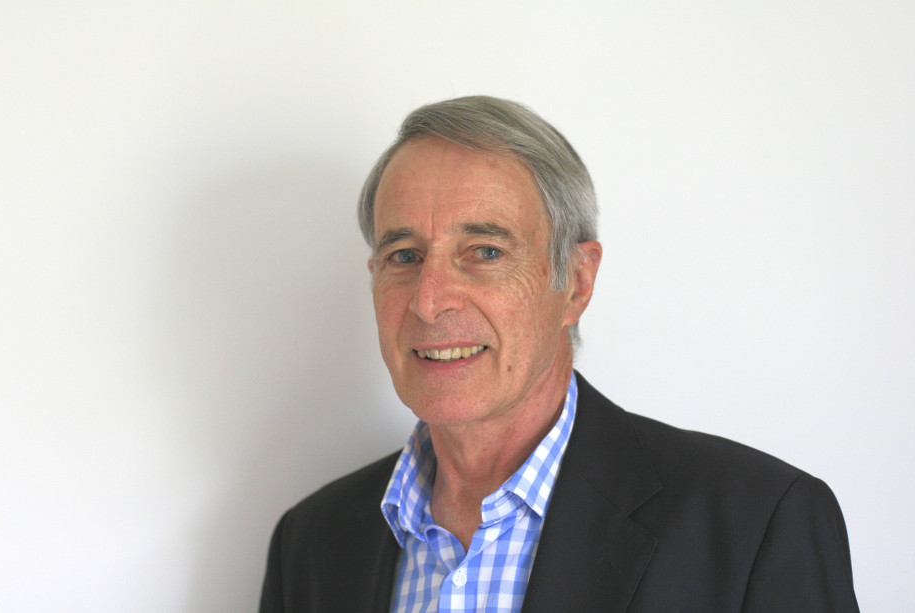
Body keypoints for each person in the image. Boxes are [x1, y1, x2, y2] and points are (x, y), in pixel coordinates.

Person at [259, 96, 859, 612]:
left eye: (486, 251)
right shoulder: (311, 543)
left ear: (575, 282)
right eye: (404, 256)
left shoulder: (757, 524)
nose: (430, 300)